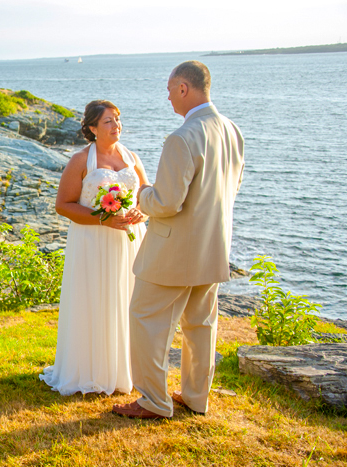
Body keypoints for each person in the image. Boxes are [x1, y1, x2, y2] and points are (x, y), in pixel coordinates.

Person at [111, 61, 244, 419]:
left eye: (170, 89)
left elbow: (167, 202)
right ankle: (195, 396)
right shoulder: (231, 130)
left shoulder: (182, 137)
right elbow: (231, 187)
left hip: (174, 251)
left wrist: (142, 195)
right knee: (200, 325)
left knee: (146, 319)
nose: (168, 96)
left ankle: (154, 401)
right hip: (213, 247)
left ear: (183, 88)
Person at [39, 100, 149, 396]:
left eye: (117, 119)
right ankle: (91, 369)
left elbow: (146, 196)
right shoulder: (80, 161)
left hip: (128, 240)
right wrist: (103, 219)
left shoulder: (132, 157)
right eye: (108, 122)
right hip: (93, 241)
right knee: (95, 299)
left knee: (128, 299)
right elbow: (63, 205)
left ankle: (127, 369)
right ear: (91, 128)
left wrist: (141, 211)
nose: (116, 126)